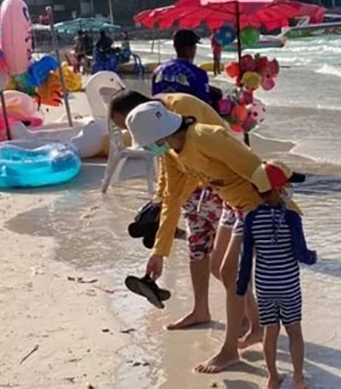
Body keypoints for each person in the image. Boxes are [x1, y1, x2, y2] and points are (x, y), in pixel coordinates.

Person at [125, 101, 300, 374]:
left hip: (257, 207)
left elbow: (257, 169)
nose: (148, 150)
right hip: (232, 205)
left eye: (147, 145)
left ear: (159, 135)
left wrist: (282, 215)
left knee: (232, 274)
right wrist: (159, 252)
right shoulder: (170, 153)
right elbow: (172, 198)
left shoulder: (206, 137)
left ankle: (229, 351)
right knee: (218, 268)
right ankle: (256, 328)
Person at [109, 91, 261, 334]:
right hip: (191, 190)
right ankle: (202, 310)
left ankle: (247, 318)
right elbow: (170, 169)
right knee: (197, 247)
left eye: (130, 125)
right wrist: (159, 248)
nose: (132, 133)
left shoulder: (181, 111)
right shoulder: (163, 140)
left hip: (221, 188)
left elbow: (197, 156)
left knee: (227, 263)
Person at [238, 161, 315, 389]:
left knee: (270, 332)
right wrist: (313, 257)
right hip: (288, 286)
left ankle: (272, 377)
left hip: (264, 286)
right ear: (279, 189)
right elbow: (300, 253)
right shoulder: (292, 217)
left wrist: (241, 286)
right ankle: (298, 378)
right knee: (294, 331)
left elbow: (246, 258)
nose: (290, 188)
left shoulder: (251, 218)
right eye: (288, 185)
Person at [152, 29, 215, 106]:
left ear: (174, 46)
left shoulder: (158, 71)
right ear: (192, 48)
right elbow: (204, 103)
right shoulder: (198, 73)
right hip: (187, 112)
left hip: (161, 111)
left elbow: (154, 97)